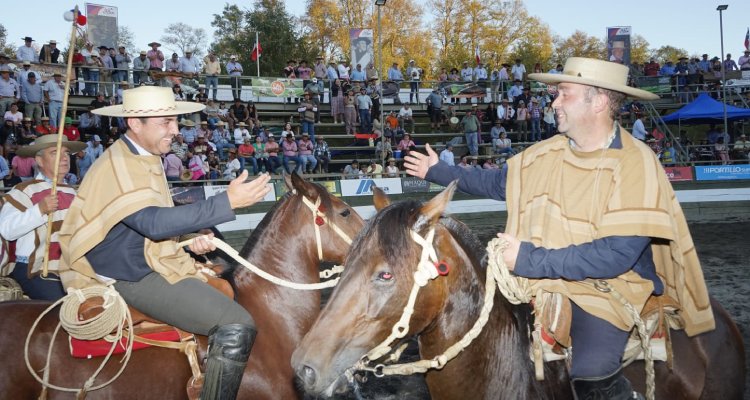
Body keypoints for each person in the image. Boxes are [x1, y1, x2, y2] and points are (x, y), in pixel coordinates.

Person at [403, 57, 714, 400]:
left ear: (597, 100)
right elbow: (495, 183)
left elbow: (615, 256)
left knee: (591, 374)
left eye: (564, 93)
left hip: (609, 288)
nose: (554, 102)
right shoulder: (545, 153)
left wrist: (526, 259)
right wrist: (438, 171)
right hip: (540, 272)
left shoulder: (636, 162)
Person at [58, 86, 271, 400]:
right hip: (128, 274)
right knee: (236, 322)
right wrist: (226, 201)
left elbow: (147, 219)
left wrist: (187, 239)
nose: (175, 130)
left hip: (139, 261)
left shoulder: (139, 155)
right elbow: (152, 225)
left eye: (175, 121)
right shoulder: (122, 165)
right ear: (135, 124)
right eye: (166, 122)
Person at [0, 135, 86, 300]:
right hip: (35, 268)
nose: (64, 158)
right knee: (67, 306)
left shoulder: (73, 192)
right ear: (39, 160)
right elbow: (6, 230)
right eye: (55, 153)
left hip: (70, 267)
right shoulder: (23, 190)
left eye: (66, 153)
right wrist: (39, 210)